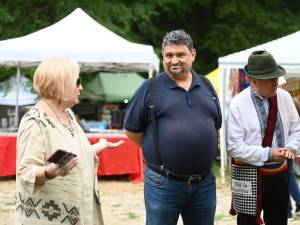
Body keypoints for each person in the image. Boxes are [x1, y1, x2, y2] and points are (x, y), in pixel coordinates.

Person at [124, 29, 222, 225]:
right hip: (163, 183)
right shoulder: (149, 88)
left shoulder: (206, 85)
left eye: (180, 55)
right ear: (163, 56)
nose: (174, 60)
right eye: (169, 55)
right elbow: (131, 130)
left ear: (192, 54)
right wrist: (159, 151)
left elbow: (215, 125)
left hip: (204, 184)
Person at [15, 58, 124, 225]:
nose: (81, 88)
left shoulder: (69, 115)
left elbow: (71, 155)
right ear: (61, 83)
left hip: (79, 214)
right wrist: (49, 172)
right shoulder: (34, 122)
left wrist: (98, 146)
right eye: (77, 82)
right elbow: (25, 173)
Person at [227, 50, 300, 225]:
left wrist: (291, 148)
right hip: (248, 173)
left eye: (276, 77)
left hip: (279, 174)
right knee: (247, 223)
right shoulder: (238, 104)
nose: (276, 82)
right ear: (253, 80)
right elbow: (234, 147)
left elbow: (297, 129)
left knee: (279, 221)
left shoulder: (284, 97)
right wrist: (268, 154)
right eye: (270, 78)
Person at [288, 97, 300, 219]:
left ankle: (287, 211)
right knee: (289, 176)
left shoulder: (287, 101)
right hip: (290, 146)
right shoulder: (294, 101)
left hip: (284, 146)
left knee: (284, 177)